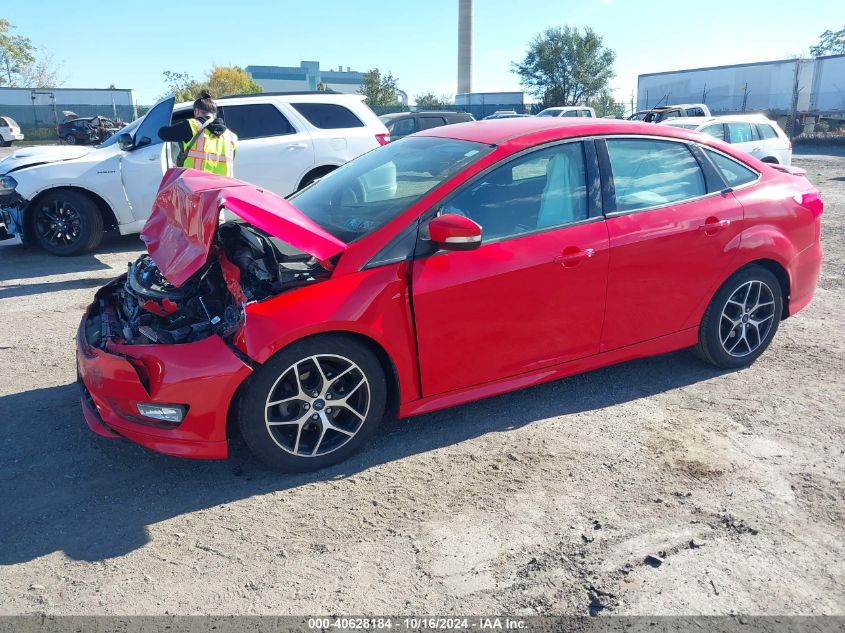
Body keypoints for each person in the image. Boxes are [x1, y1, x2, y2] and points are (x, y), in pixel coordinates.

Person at [157, 90, 237, 176]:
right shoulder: (231, 136)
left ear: (197, 111)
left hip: (197, 184)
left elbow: (163, 134)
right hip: (223, 185)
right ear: (214, 113)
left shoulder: (192, 126)